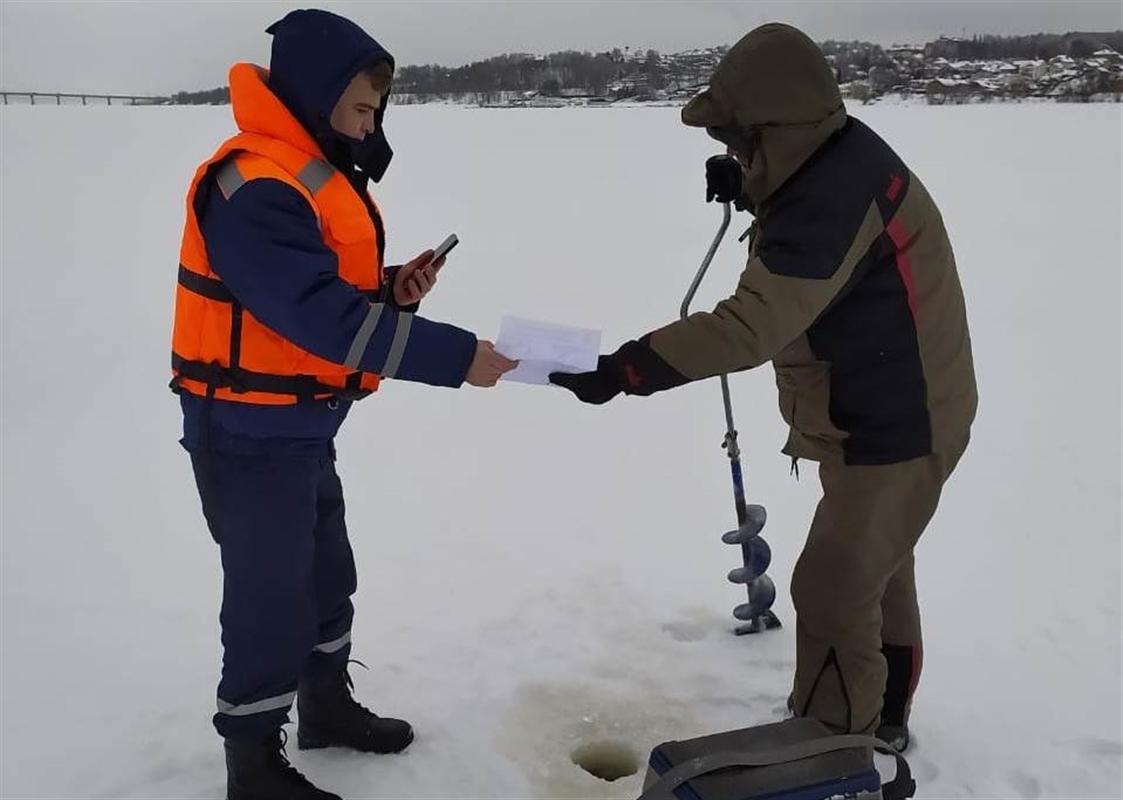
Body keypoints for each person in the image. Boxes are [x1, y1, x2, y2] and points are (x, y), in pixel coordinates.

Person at [551, 23, 977, 752]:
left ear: (777, 127)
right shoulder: (832, 156)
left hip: (899, 422)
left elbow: (751, 326)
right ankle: (882, 720)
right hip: (887, 408)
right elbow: (820, 250)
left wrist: (627, 369)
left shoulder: (827, 199)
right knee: (878, 572)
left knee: (835, 588)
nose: (733, 154)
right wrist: (754, 189)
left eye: (740, 142)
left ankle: (832, 749)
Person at [169, 10, 515, 799]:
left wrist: (390, 290)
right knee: (267, 597)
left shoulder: (300, 170)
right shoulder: (253, 185)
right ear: (314, 94)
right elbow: (320, 321)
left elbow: (319, 298)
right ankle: (251, 764)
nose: (368, 127)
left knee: (327, 574)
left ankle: (324, 705)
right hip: (246, 431)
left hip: (301, 424)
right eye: (360, 109)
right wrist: (457, 358)